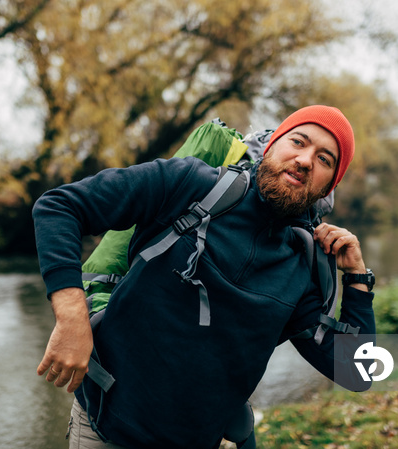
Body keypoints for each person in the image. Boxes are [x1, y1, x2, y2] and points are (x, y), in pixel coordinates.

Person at [33, 105, 376, 449]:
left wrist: (358, 277)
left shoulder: (300, 266)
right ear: (272, 145)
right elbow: (60, 207)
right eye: (298, 141)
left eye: (325, 160)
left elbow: (356, 372)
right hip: (107, 431)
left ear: (328, 186)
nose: (304, 160)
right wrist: (72, 318)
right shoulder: (191, 185)